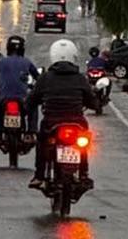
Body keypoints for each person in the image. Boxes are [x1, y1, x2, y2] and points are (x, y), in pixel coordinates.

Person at [29, 37, 99, 188]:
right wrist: (95, 104)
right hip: (77, 123)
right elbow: (92, 101)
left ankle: (39, 175)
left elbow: (32, 99)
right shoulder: (80, 79)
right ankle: (84, 173)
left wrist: (29, 105)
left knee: (41, 143)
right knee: (84, 144)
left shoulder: (45, 78)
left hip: (51, 123)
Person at [0, 34, 38, 147]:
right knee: (33, 108)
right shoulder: (26, 62)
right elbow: (37, 77)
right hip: (23, 99)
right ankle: (30, 132)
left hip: (3, 99)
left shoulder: (2, 62)